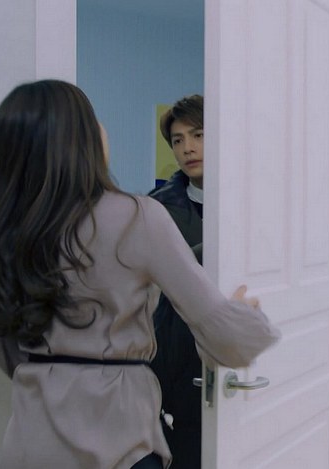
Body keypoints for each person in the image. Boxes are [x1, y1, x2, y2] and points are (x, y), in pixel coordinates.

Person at [0, 80, 280, 469]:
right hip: (119, 442)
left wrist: (53, 369)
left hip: (31, 442)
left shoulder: (6, 226)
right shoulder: (138, 216)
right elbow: (229, 338)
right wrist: (244, 315)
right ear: (81, 138)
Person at [148, 95, 206, 469]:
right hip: (177, 356)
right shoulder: (156, 208)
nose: (188, 148)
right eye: (178, 140)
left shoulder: (254, 202)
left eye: (198, 135)